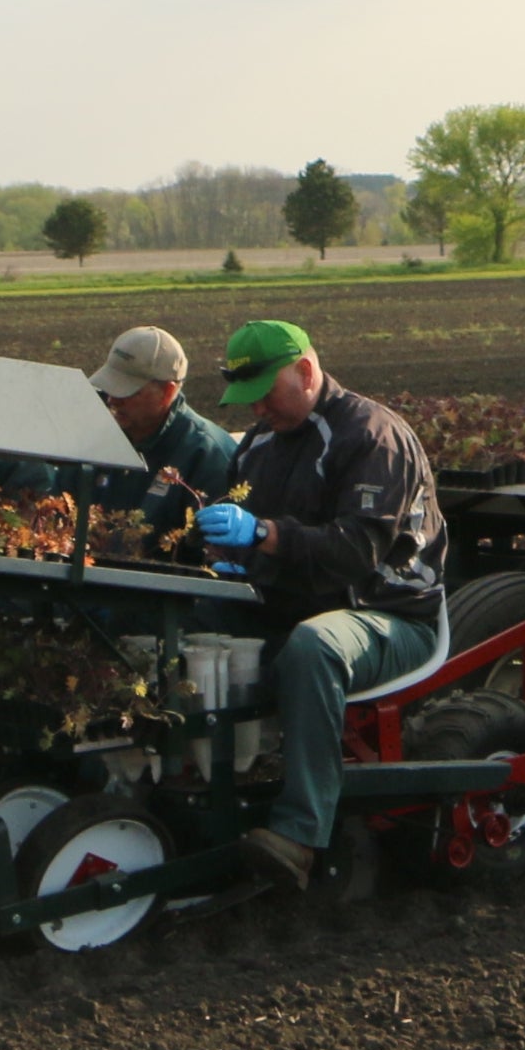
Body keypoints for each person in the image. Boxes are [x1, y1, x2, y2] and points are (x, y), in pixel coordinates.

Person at [191, 320, 443, 890]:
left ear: (305, 372)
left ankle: (300, 832)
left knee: (315, 646)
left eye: (264, 396)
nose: (255, 412)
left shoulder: (371, 436)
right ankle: (189, 781)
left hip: (386, 613)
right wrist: (216, 552)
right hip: (289, 601)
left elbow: (357, 552)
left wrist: (262, 536)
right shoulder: (258, 444)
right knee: (186, 617)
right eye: (246, 400)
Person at [83, 325, 238, 522]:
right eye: (109, 387)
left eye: (127, 391)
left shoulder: (208, 457)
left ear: (167, 392)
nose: (113, 400)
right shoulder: (100, 440)